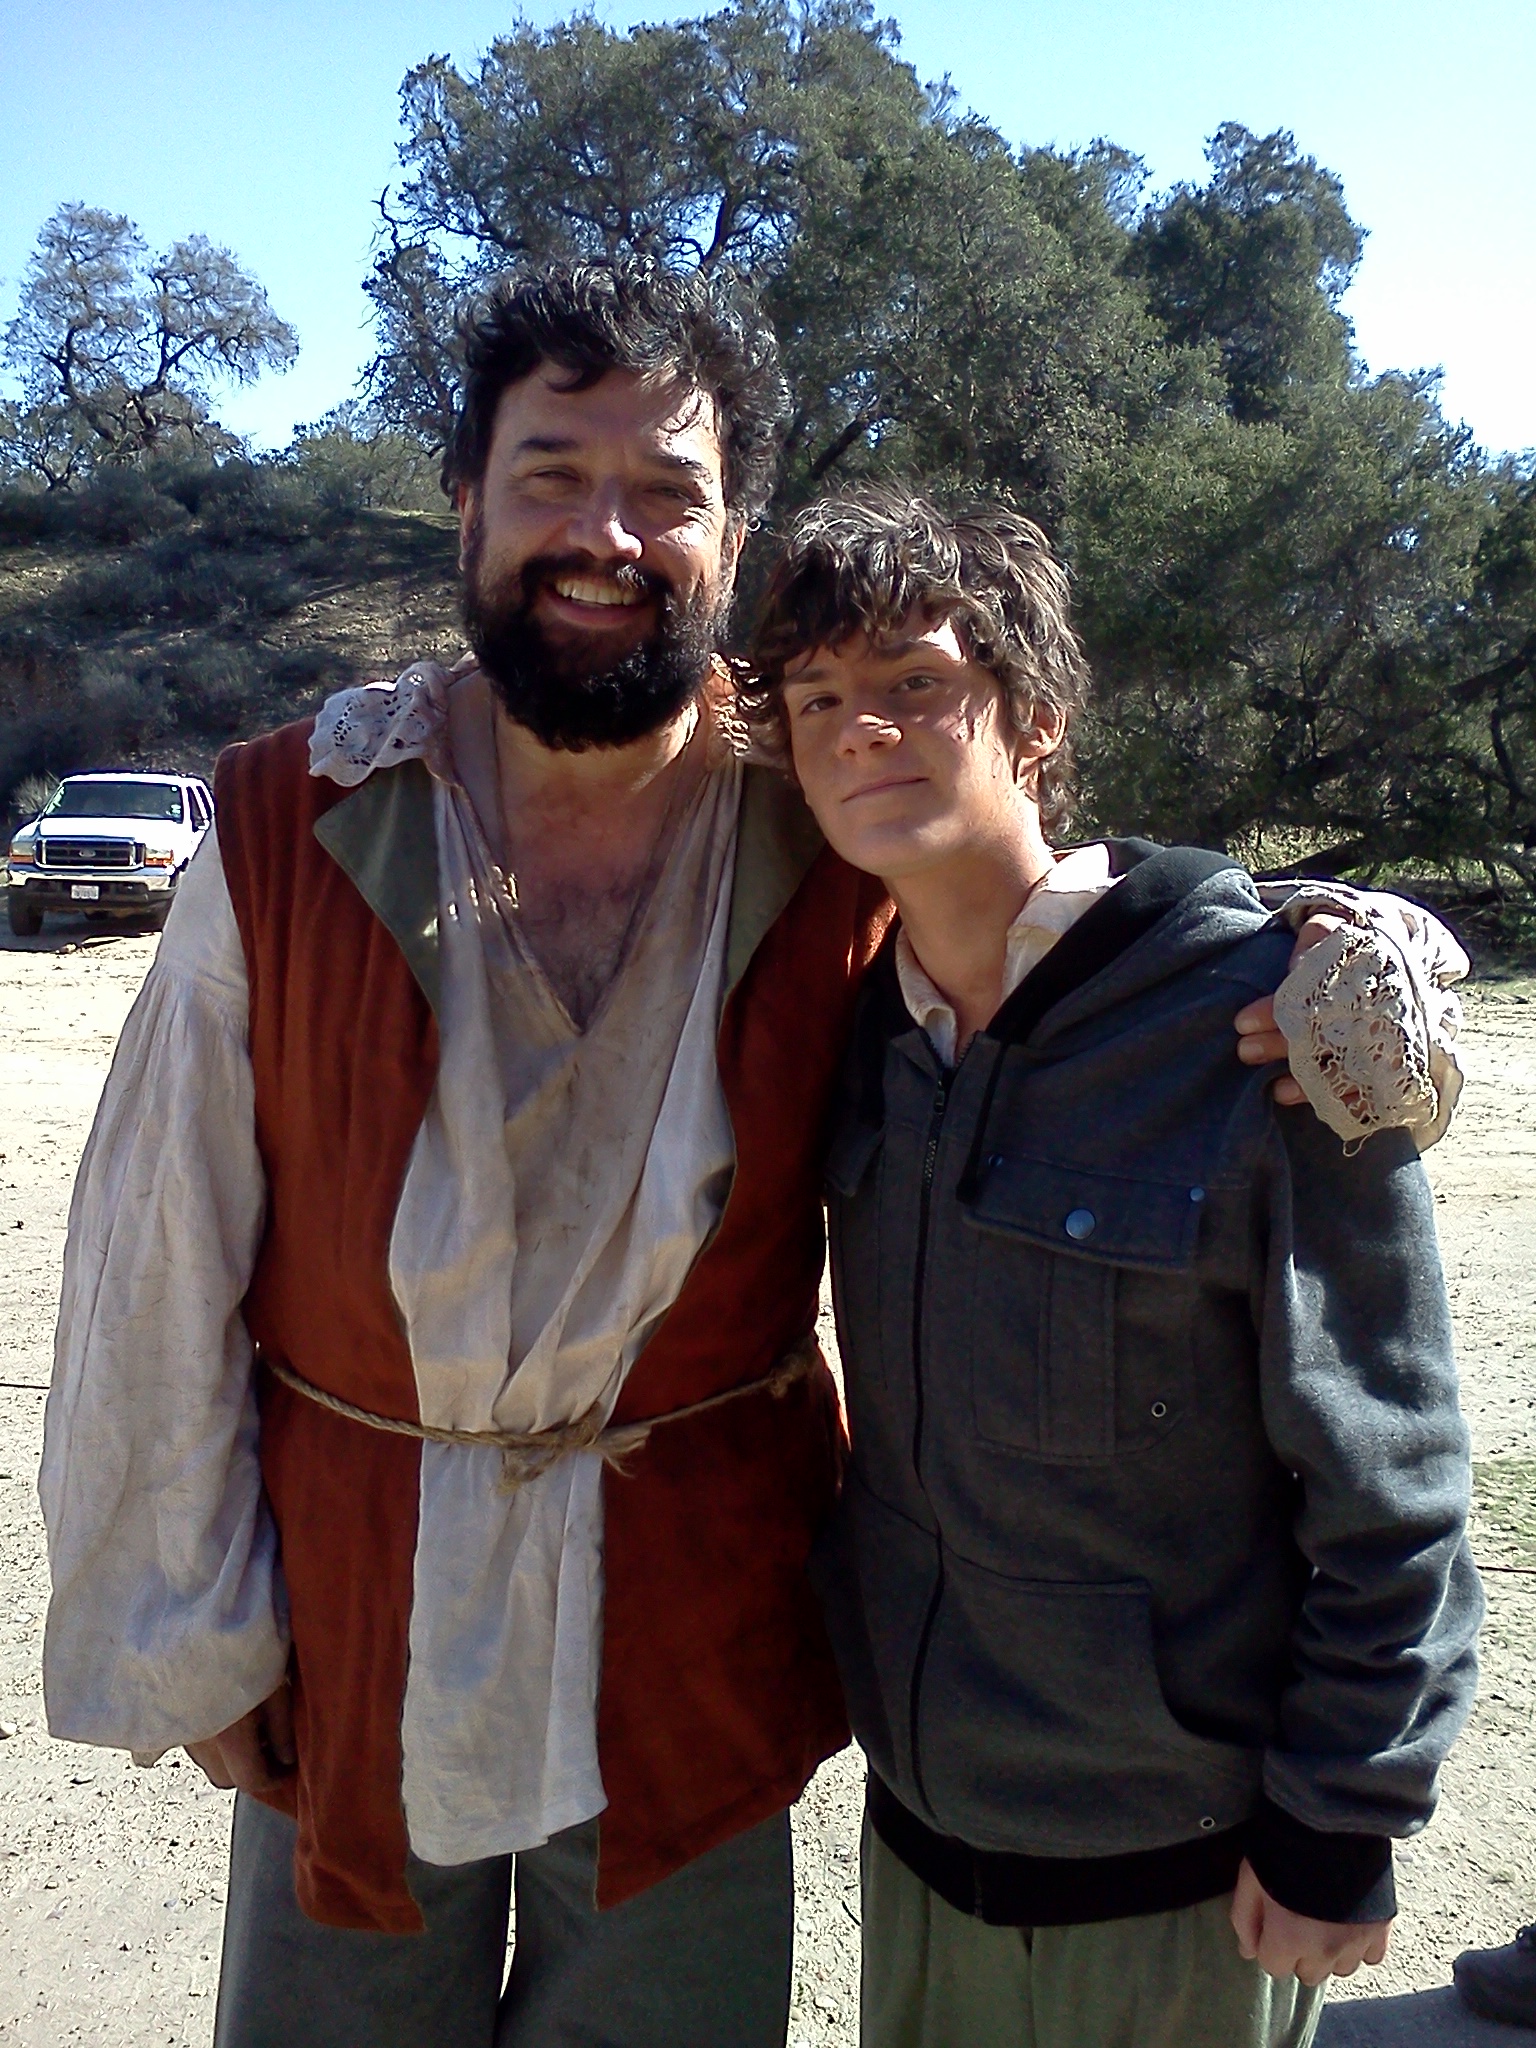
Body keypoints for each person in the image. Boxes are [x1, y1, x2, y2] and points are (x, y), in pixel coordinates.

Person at [39, 260, 1464, 2048]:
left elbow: (1040, 890)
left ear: (733, 535)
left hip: (695, 1649)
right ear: (465, 499)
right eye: (553, 475)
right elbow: (152, 1259)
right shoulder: (287, 823)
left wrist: (1353, 955)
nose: (605, 533)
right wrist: (196, 1626)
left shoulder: (819, 821)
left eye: (669, 492)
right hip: (350, 1621)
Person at [741, 487, 1483, 2048]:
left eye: (916, 685)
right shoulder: (861, 1027)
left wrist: (1342, 1813)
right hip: (923, 1845)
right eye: (817, 699)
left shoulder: (1267, 1018)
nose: (860, 731)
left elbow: (1393, 1474)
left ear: (1037, 720)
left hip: (1182, 1891)